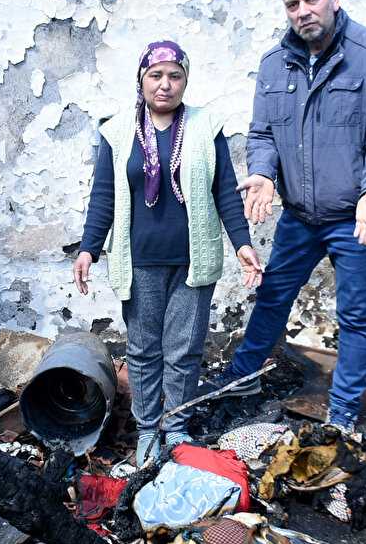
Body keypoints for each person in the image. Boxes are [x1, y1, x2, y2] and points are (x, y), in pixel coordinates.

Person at [202, 0, 366, 440]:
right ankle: (242, 378)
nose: (302, 11)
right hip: (299, 215)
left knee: (355, 316)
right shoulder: (275, 64)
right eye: (292, 4)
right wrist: (262, 174)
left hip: (355, 216)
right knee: (272, 297)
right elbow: (263, 134)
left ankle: (340, 416)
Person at [74, 41, 263, 466]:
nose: (165, 84)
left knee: (185, 349)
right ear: (142, 80)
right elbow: (103, 196)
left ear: (185, 81)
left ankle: (176, 427)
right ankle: (147, 431)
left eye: (174, 75)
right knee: (142, 350)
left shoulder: (205, 126)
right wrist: (89, 249)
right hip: (139, 260)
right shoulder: (118, 131)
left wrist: (243, 244)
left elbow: (225, 194)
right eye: (156, 75)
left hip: (193, 259)